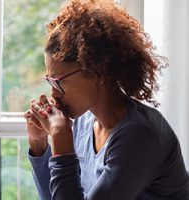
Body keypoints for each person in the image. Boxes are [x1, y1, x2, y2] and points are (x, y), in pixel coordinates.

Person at [23, 0, 189, 199]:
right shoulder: (85, 123)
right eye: (49, 81)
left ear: (97, 72)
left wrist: (61, 138)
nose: (53, 95)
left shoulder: (140, 135)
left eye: (58, 82)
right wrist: (38, 145)